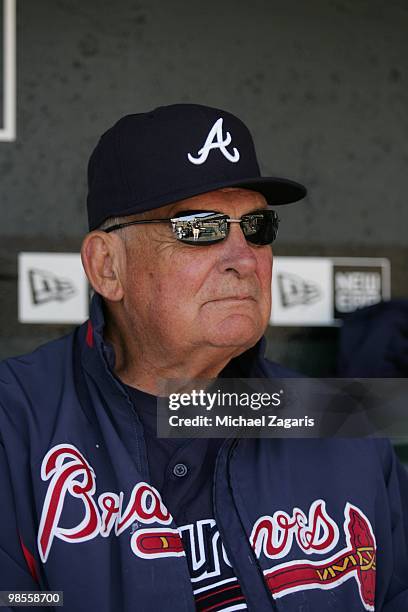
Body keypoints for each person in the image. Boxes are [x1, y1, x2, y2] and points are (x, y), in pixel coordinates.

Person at [0, 104, 407, 612]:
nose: (242, 258)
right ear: (108, 267)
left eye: (256, 226)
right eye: (200, 227)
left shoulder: (338, 417)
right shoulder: (15, 422)